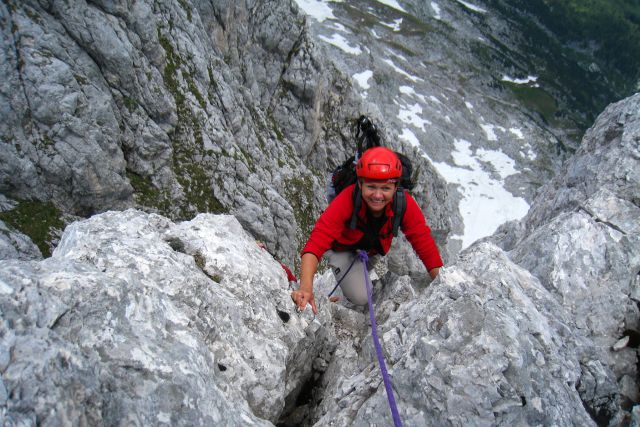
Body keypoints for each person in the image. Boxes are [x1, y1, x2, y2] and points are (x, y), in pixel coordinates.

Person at [291, 147, 443, 314]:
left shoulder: (403, 202)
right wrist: (305, 288)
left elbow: (423, 241)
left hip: (371, 252)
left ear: (395, 187)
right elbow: (316, 243)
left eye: (385, 188)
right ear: (360, 184)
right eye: (371, 186)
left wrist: (442, 281)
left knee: (362, 283)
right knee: (362, 297)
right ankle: (345, 283)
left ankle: (349, 283)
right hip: (342, 251)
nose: (378, 195)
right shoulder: (347, 199)